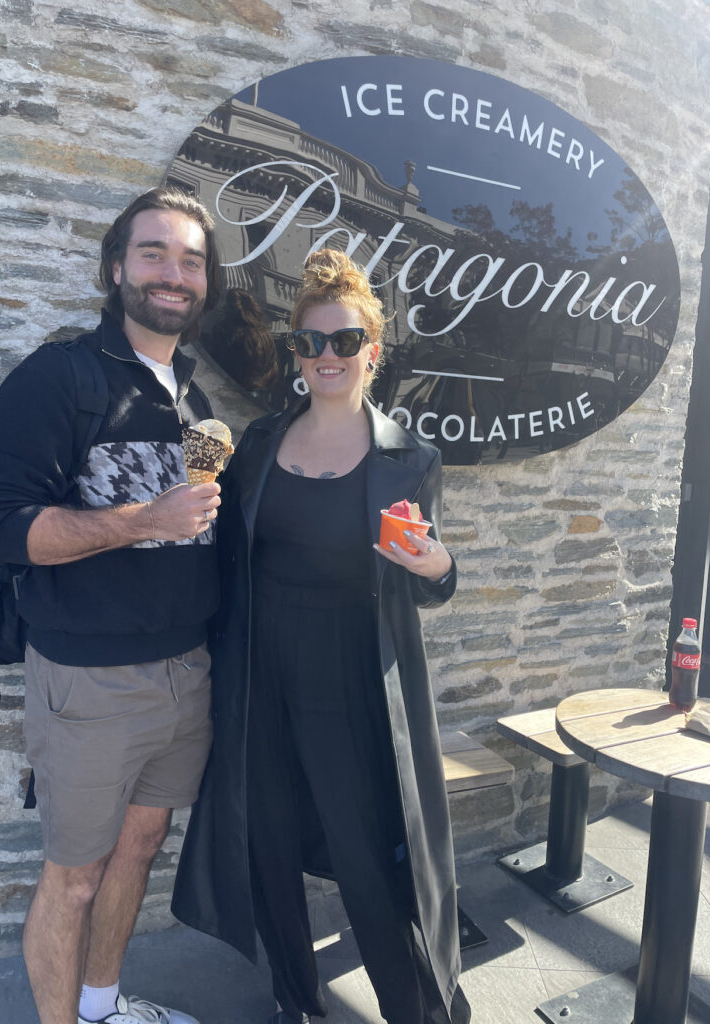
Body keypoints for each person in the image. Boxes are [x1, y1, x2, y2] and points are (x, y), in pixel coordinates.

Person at [173, 250, 471, 1024]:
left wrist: (438, 563)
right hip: (259, 668)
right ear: (295, 353)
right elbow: (224, 548)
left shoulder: (411, 457)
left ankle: (411, 1009)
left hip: (350, 674)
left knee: (367, 854)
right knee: (267, 839)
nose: (326, 357)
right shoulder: (259, 445)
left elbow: (429, 578)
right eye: (310, 343)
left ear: (373, 352)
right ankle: (294, 1001)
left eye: (344, 342)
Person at [0, 187, 224, 1024]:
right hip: (88, 683)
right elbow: (4, 528)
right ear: (116, 268)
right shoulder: (61, 376)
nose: (173, 273)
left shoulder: (194, 391)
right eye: (153, 252)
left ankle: (107, 1008)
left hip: (187, 673)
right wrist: (146, 519)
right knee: (74, 876)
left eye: (190, 259)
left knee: (142, 846)